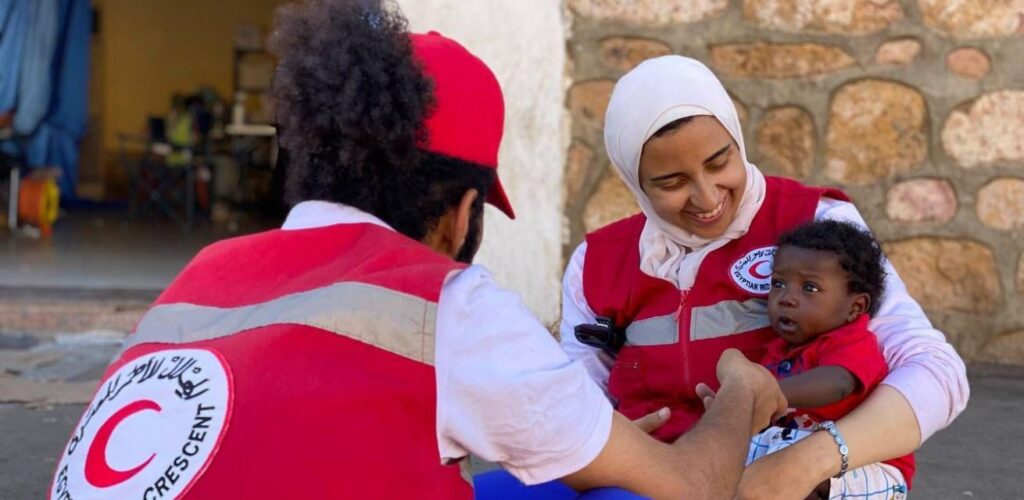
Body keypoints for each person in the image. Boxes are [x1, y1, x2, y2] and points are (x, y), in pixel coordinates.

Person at [48, 2, 786, 499]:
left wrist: (587, 445)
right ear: (459, 213)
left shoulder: (201, 276)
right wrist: (744, 393)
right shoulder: (445, 306)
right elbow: (690, 484)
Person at [560, 55, 970, 499]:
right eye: (671, 181)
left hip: (780, 473)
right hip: (646, 476)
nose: (706, 196)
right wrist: (604, 445)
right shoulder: (597, 263)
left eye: (719, 162)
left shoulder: (818, 226)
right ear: (634, 181)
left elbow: (936, 371)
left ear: (737, 139)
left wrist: (804, 463)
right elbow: (578, 400)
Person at [745, 220, 912, 499]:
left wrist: (769, 393)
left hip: (867, 466)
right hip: (800, 457)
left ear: (855, 307)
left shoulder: (851, 341)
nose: (786, 298)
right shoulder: (775, 352)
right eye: (779, 283)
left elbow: (838, 383)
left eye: (809, 288)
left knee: (785, 468)